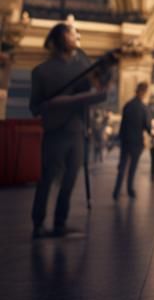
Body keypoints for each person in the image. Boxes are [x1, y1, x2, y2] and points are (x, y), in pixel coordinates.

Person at [29, 22, 110, 237]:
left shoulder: (81, 67)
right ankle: (38, 222)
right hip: (55, 131)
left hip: (77, 130)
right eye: (71, 33)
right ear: (58, 40)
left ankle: (59, 222)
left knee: (70, 178)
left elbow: (97, 91)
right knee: (47, 178)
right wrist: (53, 105)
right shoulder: (41, 72)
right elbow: (35, 107)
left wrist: (103, 75)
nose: (76, 36)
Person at [113, 81, 151, 199]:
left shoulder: (128, 105)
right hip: (137, 142)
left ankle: (116, 191)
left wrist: (120, 138)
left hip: (126, 141)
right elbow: (147, 126)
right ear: (143, 92)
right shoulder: (143, 108)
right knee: (132, 167)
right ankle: (130, 190)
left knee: (123, 165)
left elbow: (122, 124)